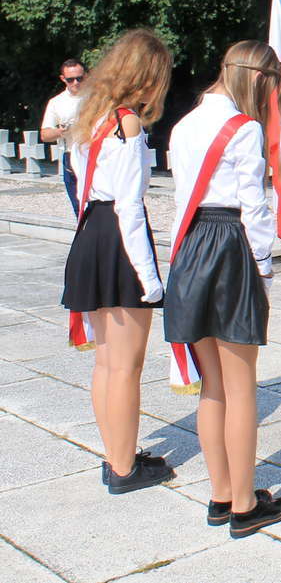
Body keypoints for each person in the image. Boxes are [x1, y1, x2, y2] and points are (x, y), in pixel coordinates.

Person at [164, 41, 281, 537]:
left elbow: (180, 198)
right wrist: (262, 270)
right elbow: (253, 208)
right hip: (230, 245)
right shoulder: (246, 128)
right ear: (260, 79)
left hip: (191, 246)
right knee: (241, 388)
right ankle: (245, 505)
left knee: (212, 385)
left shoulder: (184, 123)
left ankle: (221, 494)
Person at [60, 30, 173, 494]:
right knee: (126, 366)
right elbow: (130, 207)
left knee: (107, 363)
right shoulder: (126, 123)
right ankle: (125, 469)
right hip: (119, 240)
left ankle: (116, 455)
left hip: (91, 233)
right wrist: (151, 280)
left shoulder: (90, 115)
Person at [41, 58, 88, 216]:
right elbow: (45, 134)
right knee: (79, 206)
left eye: (79, 78)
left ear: (86, 76)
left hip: (97, 153)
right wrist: (61, 131)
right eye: (70, 80)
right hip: (71, 154)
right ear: (63, 79)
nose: (75, 83)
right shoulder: (57, 102)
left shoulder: (97, 97)